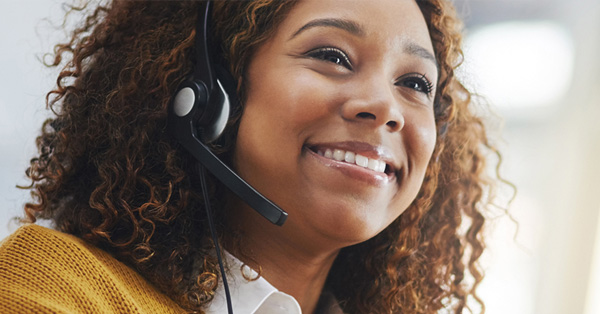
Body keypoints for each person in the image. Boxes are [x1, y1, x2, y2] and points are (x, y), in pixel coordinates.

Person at [0, 0, 501, 313]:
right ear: (210, 95)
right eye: (331, 57)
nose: (386, 107)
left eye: (414, 84)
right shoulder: (56, 288)